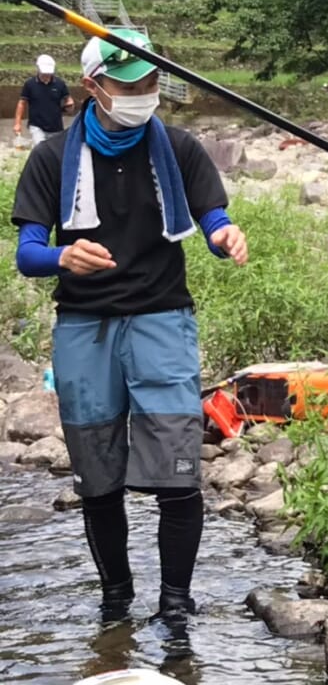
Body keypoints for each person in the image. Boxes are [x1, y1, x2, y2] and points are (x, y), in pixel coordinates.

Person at [10, 33, 249, 623]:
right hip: (83, 326)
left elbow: (211, 216)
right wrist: (63, 256)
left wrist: (223, 235)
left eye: (150, 82)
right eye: (129, 84)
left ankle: (176, 606)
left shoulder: (179, 147)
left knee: (178, 471)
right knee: (97, 477)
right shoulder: (51, 158)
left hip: (162, 318)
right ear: (93, 87)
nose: (143, 92)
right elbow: (28, 253)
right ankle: (115, 602)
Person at [13, 53, 74, 146]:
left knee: (55, 151)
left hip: (56, 126)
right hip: (37, 125)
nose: (46, 75)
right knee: (40, 147)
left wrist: (70, 105)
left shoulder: (60, 84)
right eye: (44, 73)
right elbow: (22, 103)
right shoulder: (30, 84)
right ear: (38, 69)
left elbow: (68, 99)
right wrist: (17, 123)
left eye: (48, 73)